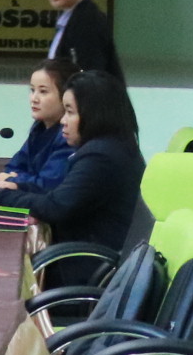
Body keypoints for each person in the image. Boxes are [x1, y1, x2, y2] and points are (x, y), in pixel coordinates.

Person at [24, 69, 145, 253]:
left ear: (94, 114)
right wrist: (16, 188)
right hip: (81, 252)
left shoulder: (100, 157)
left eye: (70, 112)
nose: (63, 120)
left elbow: (56, 207)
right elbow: (60, 194)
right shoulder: (114, 146)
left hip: (85, 260)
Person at [0, 59, 76, 205]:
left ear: (66, 96)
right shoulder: (39, 128)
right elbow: (13, 167)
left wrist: (13, 180)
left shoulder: (68, 135)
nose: (34, 98)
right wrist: (14, 179)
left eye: (43, 91)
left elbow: (48, 183)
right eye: (32, 90)